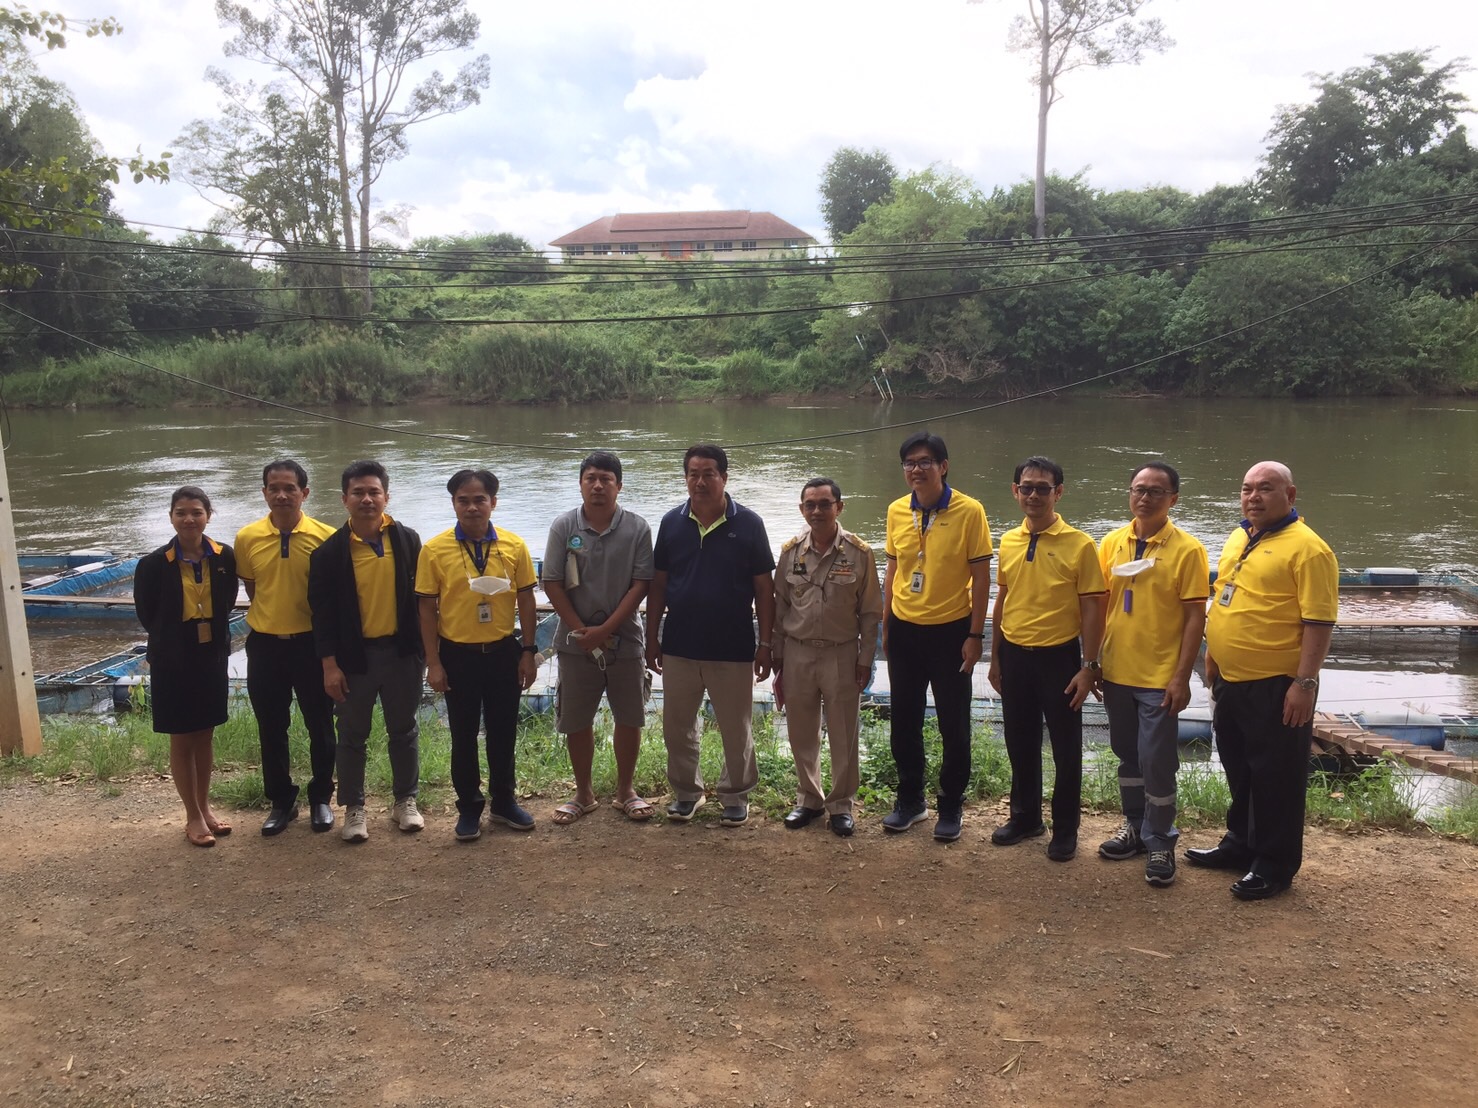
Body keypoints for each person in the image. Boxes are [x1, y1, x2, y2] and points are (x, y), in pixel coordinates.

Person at [1194, 461, 1337, 900]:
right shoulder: (1241, 535)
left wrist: (1305, 684)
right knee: (1240, 768)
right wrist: (1213, 655)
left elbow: (1319, 622)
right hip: (1232, 679)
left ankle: (1274, 865)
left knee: (1276, 777)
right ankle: (1241, 845)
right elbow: (1225, 599)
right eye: (1246, 489)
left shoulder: (1309, 550)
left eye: (1265, 489)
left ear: (1290, 496)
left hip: (1278, 684)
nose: (1253, 497)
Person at [646, 444, 775, 827]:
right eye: (693, 474)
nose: (699, 482)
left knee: (737, 727)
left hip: (732, 647)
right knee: (678, 725)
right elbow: (658, 585)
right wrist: (652, 637)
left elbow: (764, 590)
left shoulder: (748, 524)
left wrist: (765, 644)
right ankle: (687, 793)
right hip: (680, 645)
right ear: (685, 477)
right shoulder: (671, 523)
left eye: (708, 474)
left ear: (724, 477)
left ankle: (735, 795)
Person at [1095, 461, 1209, 886]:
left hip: (1160, 676)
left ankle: (1160, 840)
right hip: (1117, 671)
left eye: (1156, 492)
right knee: (1128, 755)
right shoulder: (1111, 543)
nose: (1145, 497)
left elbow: (1195, 617)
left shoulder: (1187, 549)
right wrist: (1093, 665)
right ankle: (1135, 827)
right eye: (1138, 489)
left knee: (1157, 761)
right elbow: (1098, 606)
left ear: (1173, 499)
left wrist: (1181, 676)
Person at [987, 456, 1106, 862]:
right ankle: (1025, 817)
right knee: (1019, 741)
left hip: (1059, 658)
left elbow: (1093, 609)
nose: (1033, 494)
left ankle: (1066, 828)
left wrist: (1089, 666)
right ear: (1015, 490)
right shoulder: (1008, 540)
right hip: (1016, 655)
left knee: (1066, 748)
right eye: (1026, 487)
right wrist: (995, 656)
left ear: (1058, 492)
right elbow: (1003, 597)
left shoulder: (1080, 544)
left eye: (1042, 488)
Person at [417, 468, 540, 842]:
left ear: (493, 503)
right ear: (453, 503)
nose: (472, 508)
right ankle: (469, 807)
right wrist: (433, 663)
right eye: (463, 500)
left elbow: (526, 599)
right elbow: (426, 608)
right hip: (457, 654)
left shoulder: (514, 546)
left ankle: (504, 802)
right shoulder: (434, 550)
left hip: (503, 651)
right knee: (464, 733)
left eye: (479, 500)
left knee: (503, 731)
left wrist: (529, 652)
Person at [881, 431, 992, 842]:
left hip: (951, 630)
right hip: (906, 629)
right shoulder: (896, 510)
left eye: (925, 461)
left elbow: (982, 579)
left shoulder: (969, 511)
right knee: (904, 720)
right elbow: (893, 570)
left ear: (943, 466)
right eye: (909, 462)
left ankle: (950, 804)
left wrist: (976, 635)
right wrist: (886, 625)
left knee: (953, 722)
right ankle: (910, 800)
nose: (916, 469)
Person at [307, 460, 424, 844]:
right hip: (354, 660)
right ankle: (354, 808)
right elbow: (321, 616)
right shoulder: (329, 554)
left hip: (402, 653)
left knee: (403, 730)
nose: (367, 499)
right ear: (344, 500)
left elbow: (422, 600)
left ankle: (405, 800)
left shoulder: (407, 540)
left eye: (374, 492)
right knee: (352, 734)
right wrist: (329, 666)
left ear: (386, 497)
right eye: (358, 492)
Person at [541, 451, 655, 824]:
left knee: (629, 716)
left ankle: (626, 791)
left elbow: (641, 585)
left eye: (606, 479)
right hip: (575, 644)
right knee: (577, 719)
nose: (598, 485)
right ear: (581, 483)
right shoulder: (563, 526)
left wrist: (605, 631)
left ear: (619, 486)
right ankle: (583, 793)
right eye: (591, 478)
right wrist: (580, 631)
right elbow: (552, 583)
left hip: (625, 641)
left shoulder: (637, 528)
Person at [772, 478, 883, 838]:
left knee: (843, 730)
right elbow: (779, 608)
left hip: (841, 653)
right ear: (802, 509)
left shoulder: (859, 552)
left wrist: (865, 658)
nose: (817, 511)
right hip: (798, 652)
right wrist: (778, 659)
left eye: (824, 504)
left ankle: (840, 805)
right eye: (810, 505)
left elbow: (870, 612)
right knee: (801, 730)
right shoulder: (790, 552)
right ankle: (809, 799)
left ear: (839, 507)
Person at [235, 460, 339, 836]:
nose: (281, 495)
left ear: (304, 493)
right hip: (265, 646)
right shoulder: (247, 538)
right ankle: (281, 802)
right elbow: (253, 588)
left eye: (289, 488)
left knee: (321, 725)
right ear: (264, 493)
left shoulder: (327, 536)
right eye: (273, 488)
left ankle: (321, 798)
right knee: (271, 727)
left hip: (312, 645)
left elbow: (331, 598)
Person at [135, 486, 238, 848]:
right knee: (182, 736)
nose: (189, 519)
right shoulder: (153, 564)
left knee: (205, 733)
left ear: (208, 515)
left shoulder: (224, 557)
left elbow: (225, 603)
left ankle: (205, 807)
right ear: (171, 517)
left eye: (196, 512)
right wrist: (172, 641)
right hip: (172, 658)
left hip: (210, 655)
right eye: (181, 512)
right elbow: (147, 613)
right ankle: (191, 815)